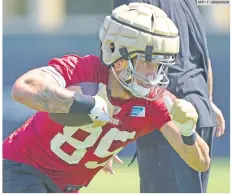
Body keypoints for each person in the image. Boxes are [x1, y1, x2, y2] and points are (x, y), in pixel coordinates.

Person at [3, 3, 210, 193]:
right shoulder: (84, 71)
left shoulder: (154, 100)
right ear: (119, 59)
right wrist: (85, 106)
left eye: (159, 65)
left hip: (65, 187)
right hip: (20, 169)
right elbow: (22, 88)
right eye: (147, 62)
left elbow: (201, 162)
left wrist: (187, 131)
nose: (153, 74)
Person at [113, 0, 226, 193]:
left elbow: (118, 59)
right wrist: (207, 100)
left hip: (164, 114)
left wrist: (108, 132)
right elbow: (201, 56)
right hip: (197, 106)